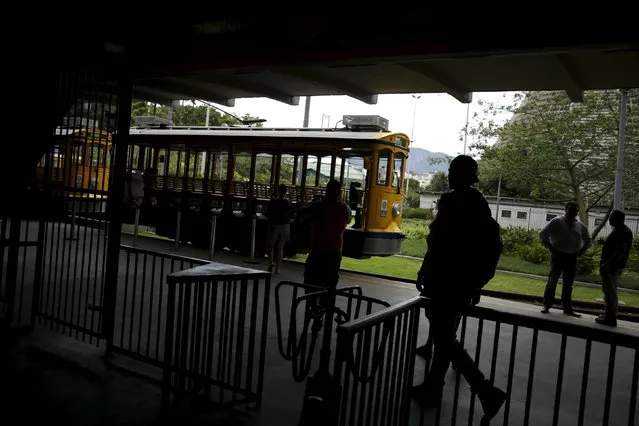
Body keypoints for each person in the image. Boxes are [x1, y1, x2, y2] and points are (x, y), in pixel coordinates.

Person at [412, 155, 506, 422]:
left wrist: (474, 281)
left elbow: (442, 243)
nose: (450, 175)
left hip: (448, 283)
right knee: (444, 341)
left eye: (454, 171)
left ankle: (484, 389)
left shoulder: (465, 203)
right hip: (452, 282)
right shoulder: (468, 203)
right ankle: (433, 389)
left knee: (444, 339)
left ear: (463, 175)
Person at [539, 201, 591, 316]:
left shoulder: (580, 226)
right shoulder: (556, 221)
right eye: (571, 209)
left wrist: (579, 253)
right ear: (565, 209)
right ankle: (546, 305)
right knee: (552, 282)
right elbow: (543, 234)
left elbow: (588, 241)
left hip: (571, 258)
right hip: (557, 256)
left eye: (576, 211)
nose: (573, 212)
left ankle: (567, 308)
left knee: (568, 284)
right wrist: (551, 249)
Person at [301, 180, 351, 296]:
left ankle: (312, 305)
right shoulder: (345, 209)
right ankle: (327, 307)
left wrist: (314, 201)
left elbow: (302, 212)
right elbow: (347, 220)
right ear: (339, 193)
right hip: (335, 251)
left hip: (318, 250)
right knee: (331, 283)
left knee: (310, 280)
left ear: (326, 191)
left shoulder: (318, 206)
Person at [597, 210, 633, 326]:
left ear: (620, 219)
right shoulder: (619, 230)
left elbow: (620, 252)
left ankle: (611, 317)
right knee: (608, 291)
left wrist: (607, 265)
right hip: (610, 266)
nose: (609, 219)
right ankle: (608, 314)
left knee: (610, 292)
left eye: (612, 217)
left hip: (612, 267)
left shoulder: (623, 232)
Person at [265, 184, 293, 274]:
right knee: (280, 247)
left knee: (270, 245)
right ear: (285, 192)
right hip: (285, 225)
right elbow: (291, 215)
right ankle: (278, 268)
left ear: (278, 191)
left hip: (275, 225)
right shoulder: (287, 203)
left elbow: (268, 214)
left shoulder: (273, 202)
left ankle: (270, 264)